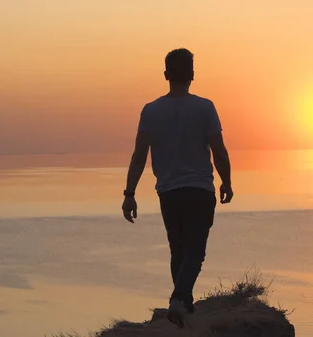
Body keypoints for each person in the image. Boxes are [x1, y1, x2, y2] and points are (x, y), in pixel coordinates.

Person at [121, 48, 233, 328]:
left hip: (169, 191)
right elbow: (219, 151)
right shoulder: (205, 107)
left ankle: (185, 305)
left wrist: (129, 193)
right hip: (199, 190)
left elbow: (139, 156)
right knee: (195, 248)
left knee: (178, 248)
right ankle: (180, 299)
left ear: (166, 75)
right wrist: (226, 181)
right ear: (193, 75)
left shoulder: (151, 111)